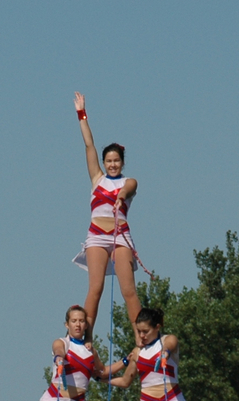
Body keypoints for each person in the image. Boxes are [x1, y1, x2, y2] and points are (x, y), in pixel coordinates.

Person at [72, 92, 141, 330]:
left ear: (122, 162)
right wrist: (82, 114)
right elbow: (89, 144)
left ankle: (142, 340)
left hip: (120, 236)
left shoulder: (129, 181)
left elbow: (130, 188)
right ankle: (84, 339)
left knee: (128, 290)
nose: (112, 164)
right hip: (97, 236)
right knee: (96, 288)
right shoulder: (97, 179)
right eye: (108, 161)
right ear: (104, 162)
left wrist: (121, 196)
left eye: (116, 161)